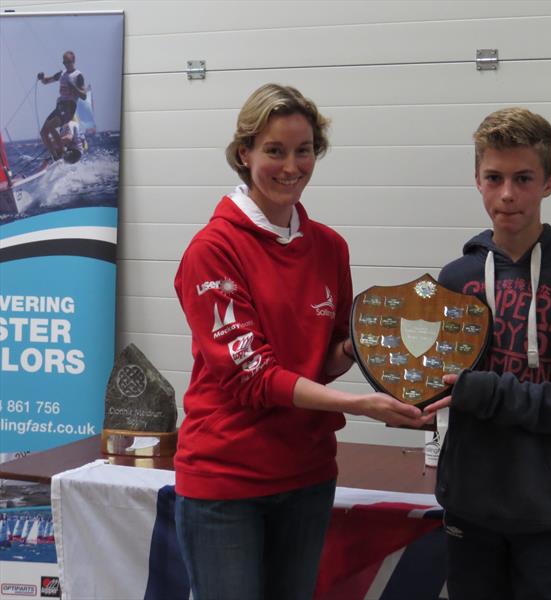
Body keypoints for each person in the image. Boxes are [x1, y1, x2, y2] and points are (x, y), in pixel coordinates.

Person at [173, 83, 432, 600]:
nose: (291, 166)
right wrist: (361, 405)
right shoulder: (213, 251)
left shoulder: (330, 247)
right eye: (275, 150)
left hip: (307, 475)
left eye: (304, 150)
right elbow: (254, 376)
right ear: (244, 154)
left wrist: (369, 343)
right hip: (227, 482)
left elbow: (324, 359)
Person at [424, 108, 551, 600]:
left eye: (523, 178)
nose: (507, 194)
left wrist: (491, 394)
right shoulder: (453, 281)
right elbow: (436, 385)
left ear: (549, 183)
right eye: (494, 178)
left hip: (548, 514)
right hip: (468, 509)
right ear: (477, 180)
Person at [37, 51, 87, 161]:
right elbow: (46, 81)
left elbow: (83, 95)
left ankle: (61, 153)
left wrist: (74, 87)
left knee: (50, 127)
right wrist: (41, 77)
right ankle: (54, 156)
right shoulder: (62, 73)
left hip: (69, 107)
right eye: (64, 62)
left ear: (73, 61)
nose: (67, 64)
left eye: (69, 62)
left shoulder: (78, 75)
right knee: (43, 132)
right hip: (59, 106)